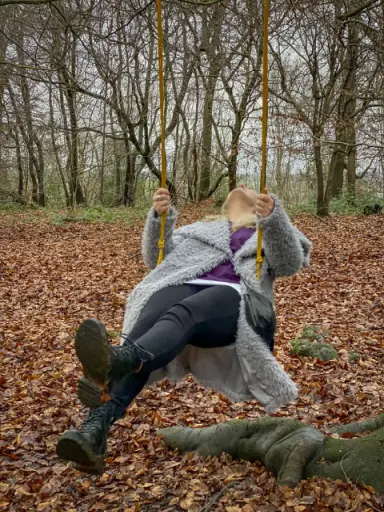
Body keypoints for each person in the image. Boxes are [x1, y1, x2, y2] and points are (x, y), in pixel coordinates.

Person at [56, 185, 312, 474]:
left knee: (184, 311)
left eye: (249, 186)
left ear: (259, 204)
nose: (241, 186)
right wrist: (159, 220)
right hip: (183, 288)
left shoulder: (271, 229)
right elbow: (158, 263)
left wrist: (274, 218)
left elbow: (289, 263)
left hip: (237, 300)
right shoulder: (200, 231)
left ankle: (117, 364)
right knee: (154, 306)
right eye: (236, 187)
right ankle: (95, 430)